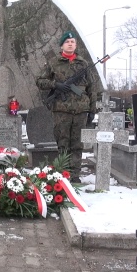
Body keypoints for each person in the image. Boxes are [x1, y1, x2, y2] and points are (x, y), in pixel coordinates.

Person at [36, 30, 97, 183]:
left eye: (73, 42)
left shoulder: (83, 64)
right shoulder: (53, 63)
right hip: (61, 110)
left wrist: (92, 109)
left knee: (77, 144)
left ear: (76, 45)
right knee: (62, 143)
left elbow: (92, 88)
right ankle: (63, 174)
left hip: (81, 110)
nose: (70, 44)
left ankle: (75, 175)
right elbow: (40, 81)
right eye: (67, 42)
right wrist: (56, 85)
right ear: (62, 45)